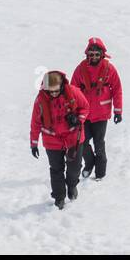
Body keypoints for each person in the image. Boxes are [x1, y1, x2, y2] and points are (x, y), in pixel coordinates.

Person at [30, 69, 89, 210]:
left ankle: (72, 185)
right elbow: (35, 122)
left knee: (74, 169)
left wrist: (78, 119)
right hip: (52, 140)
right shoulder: (40, 100)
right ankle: (59, 197)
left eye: (56, 91)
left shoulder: (73, 93)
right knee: (56, 170)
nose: (54, 94)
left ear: (61, 86)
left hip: (73, 137)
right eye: (51, 91)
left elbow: (85, 107)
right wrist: (34, 143)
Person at [72, 38, 123, 182]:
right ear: (87, 54)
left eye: (96, 54)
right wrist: (72, 112)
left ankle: (100, 173)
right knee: (82, 142)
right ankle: (89, 164)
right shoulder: (80, 69)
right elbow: (73, 91)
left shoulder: (109, 69)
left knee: (99, 143)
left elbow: (117, 89)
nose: (94, 57)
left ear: (101, 54)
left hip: (101, 114)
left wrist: (118, 111)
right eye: (91, 54)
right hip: (84, 114)